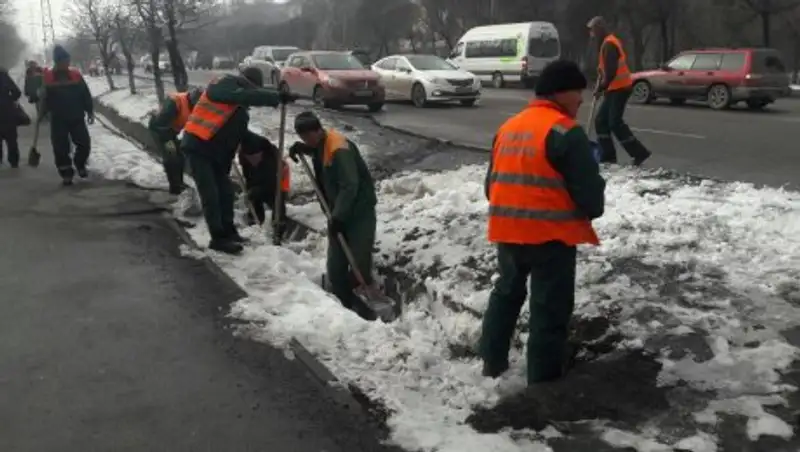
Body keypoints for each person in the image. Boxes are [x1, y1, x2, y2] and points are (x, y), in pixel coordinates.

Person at [479, 60, 606, 385]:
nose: (582, 100)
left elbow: (490, 187)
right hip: (551, 238)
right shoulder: (566, 131)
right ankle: (543, 383)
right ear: (562, 94)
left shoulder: (509, 127)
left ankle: (492, 365)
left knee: (506, 295)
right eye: (578, 92)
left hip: (508, 232)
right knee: (549, 311)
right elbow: (592, 200)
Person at [181, 67, 294, 254]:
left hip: (217, 154)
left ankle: (229, 232)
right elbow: (243, 96)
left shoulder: (239, 110)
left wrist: (267, 147)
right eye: (252, 90)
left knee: (226, 194)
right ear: (246, 84)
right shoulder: (222, 84)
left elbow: (242, 135)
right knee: (211, 194)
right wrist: (275, 97)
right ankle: (218, 238)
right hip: (198, 147)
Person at [288, 111, 378, 317]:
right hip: (337, 213)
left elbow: (350, 185)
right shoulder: (320, 144)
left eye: (307, 138)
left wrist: (338, 216)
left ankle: (365, 307)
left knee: (359, 259)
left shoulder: (339, 149)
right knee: (335, 265)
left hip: (358, 212)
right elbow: (320, 153)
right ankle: (341, 306)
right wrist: (304, 149)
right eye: (302, 138)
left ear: (318, 130)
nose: (306, 141)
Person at [587, 16, 651, 166]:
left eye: (592, 29)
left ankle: (639, 153)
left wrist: (601, 88)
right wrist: (601, 82)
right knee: (601, 121)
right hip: (614, 88)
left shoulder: (609, 44)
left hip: (620, 88)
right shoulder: (605, 43)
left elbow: (611, 72)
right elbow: (605, 71)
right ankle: (608, 156)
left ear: (599, 29)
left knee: (614, 122)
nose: (591, 33)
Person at [40, 45, 94, 185]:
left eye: (68, 60)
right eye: (65, 61)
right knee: (60, 148)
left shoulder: (76, 75)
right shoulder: (49, 78)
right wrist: (43, 110)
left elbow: (85, 94)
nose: (67, 63)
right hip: (58, 119)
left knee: (84, 144)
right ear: (58, 62)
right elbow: (44, 99)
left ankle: (80, 163)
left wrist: (90, 111)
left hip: (76, 117)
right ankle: (66, 173)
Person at [148, 88, 202, 194]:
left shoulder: (196, 106)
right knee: (171, 156)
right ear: (193, 99)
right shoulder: (175, 102)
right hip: (160, 130)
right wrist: (169, 141)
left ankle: (179, 183)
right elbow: (160, 124)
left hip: (171, 131)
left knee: (180, 157)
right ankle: (174, 187)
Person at [238, 132, 290, 228]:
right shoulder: (244, 156)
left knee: (277, 202)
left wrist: (256, 190)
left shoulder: (271, 156)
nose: (253, 160)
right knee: (253, 199)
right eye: (249, 157)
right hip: (258, 179)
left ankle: (279, 226)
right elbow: (248, 178)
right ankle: (254, 223)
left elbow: (271, 183)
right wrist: (250, 192)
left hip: (278, 180)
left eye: (255, 156)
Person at [0, 68, 23, 168]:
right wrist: (9, 99)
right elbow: (17, 92)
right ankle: (14, 161)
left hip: (6, 111)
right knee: (11, 138)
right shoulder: (3, 76)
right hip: (7, 111)